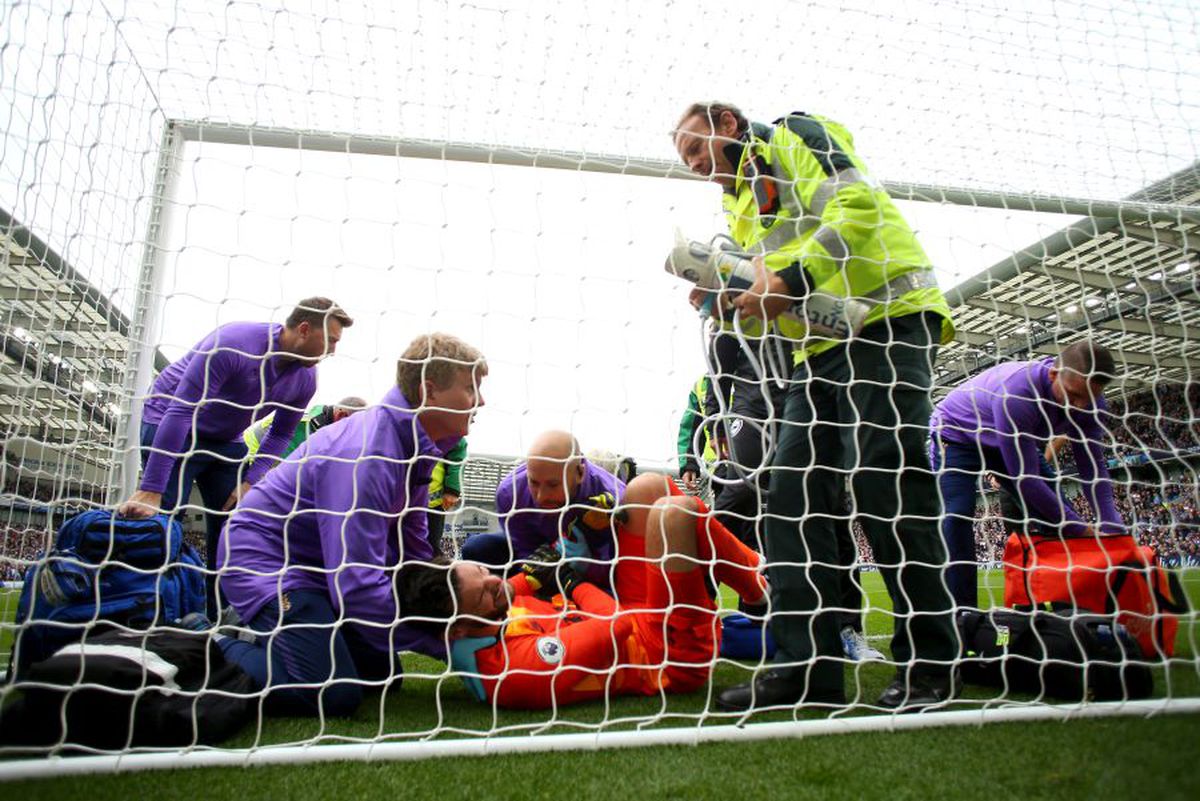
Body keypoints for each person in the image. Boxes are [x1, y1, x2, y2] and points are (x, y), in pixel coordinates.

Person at [673, 102, 959, 710]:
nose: (696, 167)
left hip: (886, 324)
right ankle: (804, 668)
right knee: (793, 495)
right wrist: (734, 303)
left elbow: (856, 208)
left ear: (725, 122)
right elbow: (773, 305)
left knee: (889, 483)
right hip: (817, 354)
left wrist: (790, 279)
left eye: (695, 149)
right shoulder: (740, 204)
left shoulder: (795, 136)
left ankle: (932, 663)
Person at [212, 332, 486, 717]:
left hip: (320, 572)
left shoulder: (414, 444)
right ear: (430, 391)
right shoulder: (369, 454)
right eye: (471, 388)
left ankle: (284, 635)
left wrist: (442, 610)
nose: (481, 400)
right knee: (333, 695)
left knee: (383, 677)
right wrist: (446, 647)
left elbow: (412, 547)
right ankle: (215, 641)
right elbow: (355, 584)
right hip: (267, 564)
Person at [397, 473, 768, 709]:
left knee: (645, 489)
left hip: (637, 619)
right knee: (673, 513)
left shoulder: (479, 616)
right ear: (457, 630)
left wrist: (581, 534)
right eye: (485, 593)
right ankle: (759, 586)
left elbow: (519, 582)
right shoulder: (514, 672)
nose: (496, 582)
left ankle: (755, 582)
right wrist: (577, 584)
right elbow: (616, 625)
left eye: (483, 572)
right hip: (667, 655)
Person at [118, 297, 353, 616]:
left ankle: (224, 618)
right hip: (171, 422)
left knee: (238, 520)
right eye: (332, 340)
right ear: (303, 329)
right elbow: (182, 409)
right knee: (162, 517)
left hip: (225, 440)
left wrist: (250, 482)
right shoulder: (234, 343)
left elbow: (281, 433)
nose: (333, 351)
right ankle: (151, 611)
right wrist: (153, 488)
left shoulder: (306, 379)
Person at [929, 342, 1121, 609]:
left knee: (1056, 507)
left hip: (1006, 439)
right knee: (957, 513)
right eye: (1073, 395)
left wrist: (1113, 524)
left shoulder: (1090, 405)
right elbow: (1026, 479)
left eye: (1089, 398)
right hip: (957, 433)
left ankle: (1067, 607)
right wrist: (1080, 528)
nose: (1079, 406)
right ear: (1054, 375)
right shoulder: (1019, 393)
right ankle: (962, 613)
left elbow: (1092, 468)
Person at [461, 431, 624, 591]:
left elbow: (625, 565)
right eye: (534, 482)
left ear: (580, 473)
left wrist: (588, 566)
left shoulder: (619, 498)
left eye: (553, 485)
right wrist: (538, 573)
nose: (541, 497)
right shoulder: (510, 493)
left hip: (595, 562)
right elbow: (523, 550)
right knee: (478, 547)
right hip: (537, 553)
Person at [242, 396, 368, 464]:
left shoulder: (320, 419)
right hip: (250, 455)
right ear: (341, 416)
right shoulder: (312, 427)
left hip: (258, 457)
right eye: (354, 427)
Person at [677, 374, 721, 497]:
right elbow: (691, 429)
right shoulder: (702, 384)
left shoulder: (755, 374)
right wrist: (689, 464)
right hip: (718, 469)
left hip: (759, 467)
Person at [427, 437, 467, 556]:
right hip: (402, 497)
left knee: (430, 546)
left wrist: (452, 489)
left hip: (433, 503)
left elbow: (457, 454)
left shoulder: (446, 428)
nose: (473, 421)